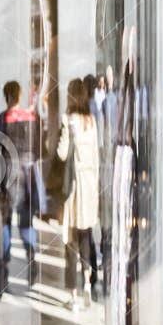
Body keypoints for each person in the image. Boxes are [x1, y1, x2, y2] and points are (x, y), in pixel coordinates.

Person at [55, 77, 101, 309]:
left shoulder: (68, 120)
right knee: (86, 236)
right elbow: (96, 154)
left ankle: (72, 294)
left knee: (70, 240)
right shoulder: (91, 120)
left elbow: (62, 154)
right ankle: (87, 284)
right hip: (90, 184)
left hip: (73, 187)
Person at [0, 81, 42, 288]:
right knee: (26, 223)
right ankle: (32, 259)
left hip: (8, 176)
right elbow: (40, 147)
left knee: (5, 224)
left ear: (6, 96)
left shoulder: (2, 119)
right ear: (19, 95)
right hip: (28, 176)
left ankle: (3, 269)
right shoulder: (31, 118)